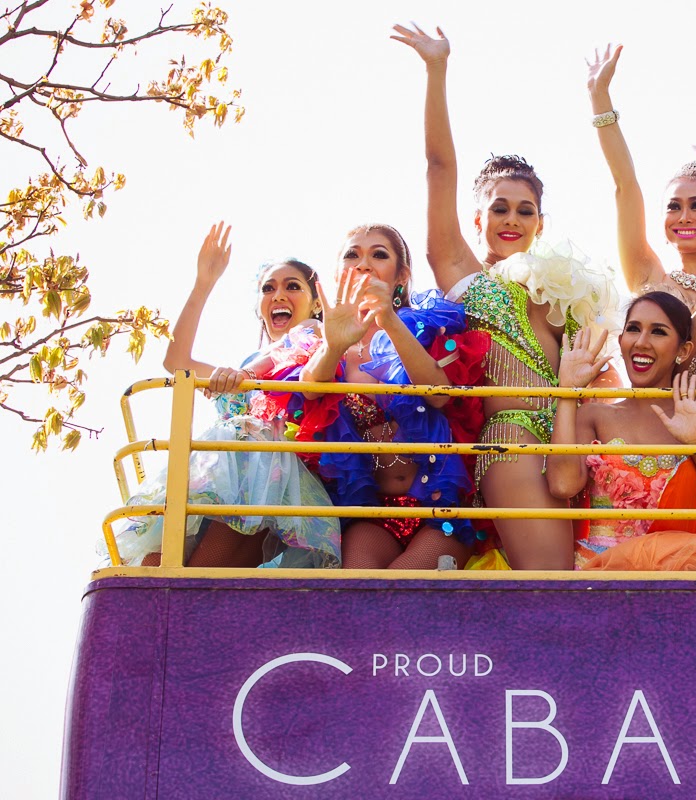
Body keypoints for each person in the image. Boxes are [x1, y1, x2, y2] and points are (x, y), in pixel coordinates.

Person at [392, 23, 617, 571]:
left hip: (578, 442)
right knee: (553, 583)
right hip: (512, 438)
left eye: (524, 210)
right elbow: (439, 169)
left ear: (541, 223)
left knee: (593, 580)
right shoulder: (465, 276)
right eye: (499, 208)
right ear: (478, 219)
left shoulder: (569, 289)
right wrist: (436, 69)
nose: (512, 219)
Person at [112, 222, 340, 569]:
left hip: (262, 480)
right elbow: (177, 362)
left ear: (315, 304)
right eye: (268, 288)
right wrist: (204, 283)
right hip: (217, 478)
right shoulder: (244, 365)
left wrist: (246, 376)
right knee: (153, 565)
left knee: (201, 572)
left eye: (292, 286)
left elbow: (292, 349)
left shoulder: (313, 334)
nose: (279, 295)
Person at [288, 224, 483, 570]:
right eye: (352, 255)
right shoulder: (326, 339)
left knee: (402, 582)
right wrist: (334, 345)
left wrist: (389, 320)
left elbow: (438, 396)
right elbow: (309, 388)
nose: (363, 264)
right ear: (338, 271)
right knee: (359, 584)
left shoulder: (425, 324)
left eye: (378, 254)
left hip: (438, 511)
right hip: (373, 515)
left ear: (401, 276)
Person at [586, 43, 696, 384]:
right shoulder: (649, 276)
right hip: (657, 410)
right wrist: (600, 98)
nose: (684, 216)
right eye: (673, 206)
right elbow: (625, 185)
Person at [548, 292, 696, 570]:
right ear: (621, 341)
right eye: (633, 329)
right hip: (603, 575)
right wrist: (567, 393)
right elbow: (562, 485)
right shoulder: (594, 415)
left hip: (679, 574)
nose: (641, 342)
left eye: (658, 332)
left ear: (683, 351)